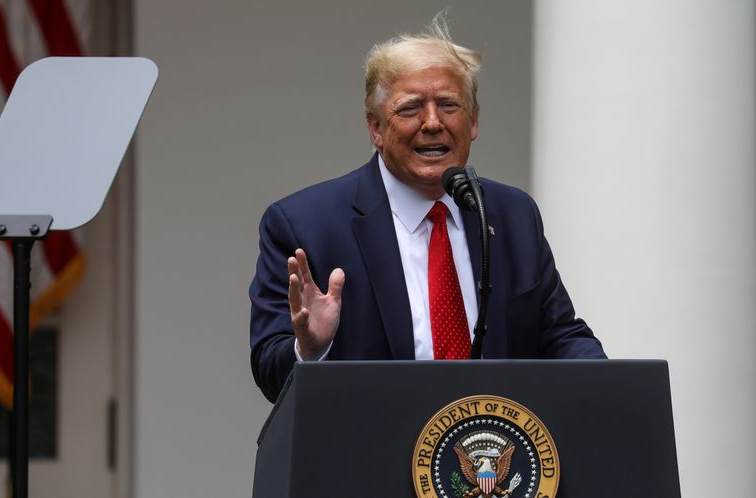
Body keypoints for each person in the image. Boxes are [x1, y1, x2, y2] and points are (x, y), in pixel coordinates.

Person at [249, 15, 605, 402]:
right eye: (410, 108)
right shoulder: (305, 225)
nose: (432, 123)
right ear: (375, 129)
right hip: (369, 454)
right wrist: (311, 350)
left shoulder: (511, 214)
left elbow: (558, 336)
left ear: (474, 122)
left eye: (449, 105)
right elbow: (270, 369)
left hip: (488, 454)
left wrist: (616, 389)